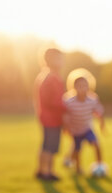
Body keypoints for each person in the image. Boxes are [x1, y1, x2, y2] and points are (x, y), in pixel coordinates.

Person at [62, 68, 106, 175]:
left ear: (89, 86)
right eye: (79, 86)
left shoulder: (92, 99)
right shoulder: (69, 101)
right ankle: (77, 168)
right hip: (75, 131)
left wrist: (102, 124)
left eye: (84, 86)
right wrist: (66, 128)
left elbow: (99, 112)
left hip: (87, 128)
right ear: (74, 87)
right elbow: (65, 116)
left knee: (96, 144)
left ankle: (99, 165)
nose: (82, 88)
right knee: (77, 150)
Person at [34, 48, 65, 181]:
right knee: (49, 145)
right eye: (58, 58)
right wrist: (66, 107)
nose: (61, 61)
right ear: (49, 60)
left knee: (49, 145)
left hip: (50, 117)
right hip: (51, 117)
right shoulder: (51, 77)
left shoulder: (47, 75)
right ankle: (45, 172)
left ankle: (47, 170)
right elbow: (54, 100)